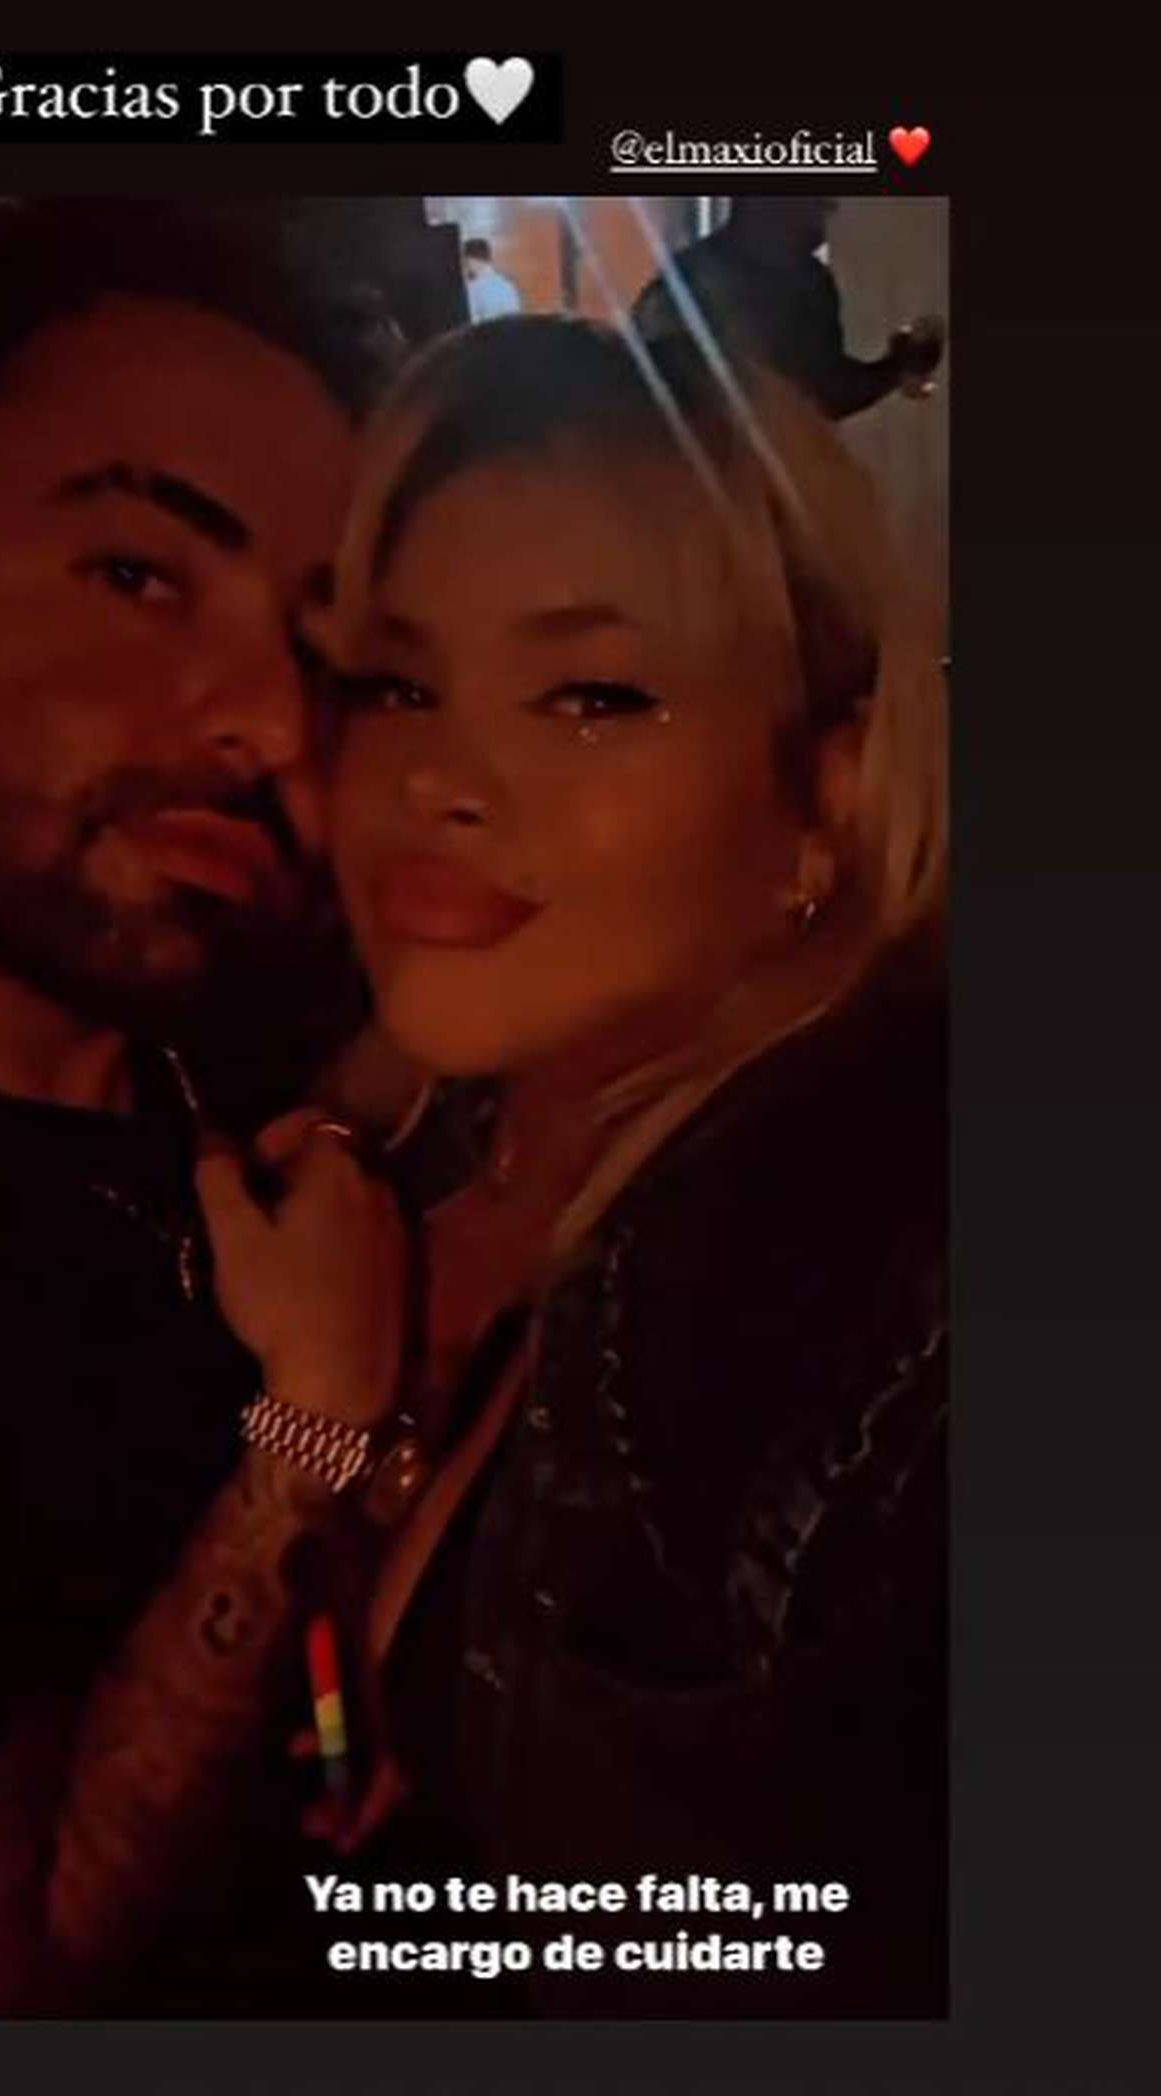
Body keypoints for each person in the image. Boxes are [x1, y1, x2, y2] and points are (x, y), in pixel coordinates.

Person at [253, 314, 947, 2013]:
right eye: (399, 683)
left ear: (822, 799)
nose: (441, 777)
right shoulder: (411, 1132)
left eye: (592, 696)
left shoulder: (819, 1272)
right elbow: (338, 1751)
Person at [0, 202, 411, 2014]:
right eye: (138, 575)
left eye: (325, 657)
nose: (271, 727)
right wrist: (313, 1426)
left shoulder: (238, 1033)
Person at [633, 196, 945, 419]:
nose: (828, 206)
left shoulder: (811, 281)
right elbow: (644, 400)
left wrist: (895, 366)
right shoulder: (691, 284)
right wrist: (894, 368)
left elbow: (827, 391)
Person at [462, 236, 524, 323]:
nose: (465, 266)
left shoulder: (474, 287)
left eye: (465, 261)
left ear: (471, 260)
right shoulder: (508, 285)